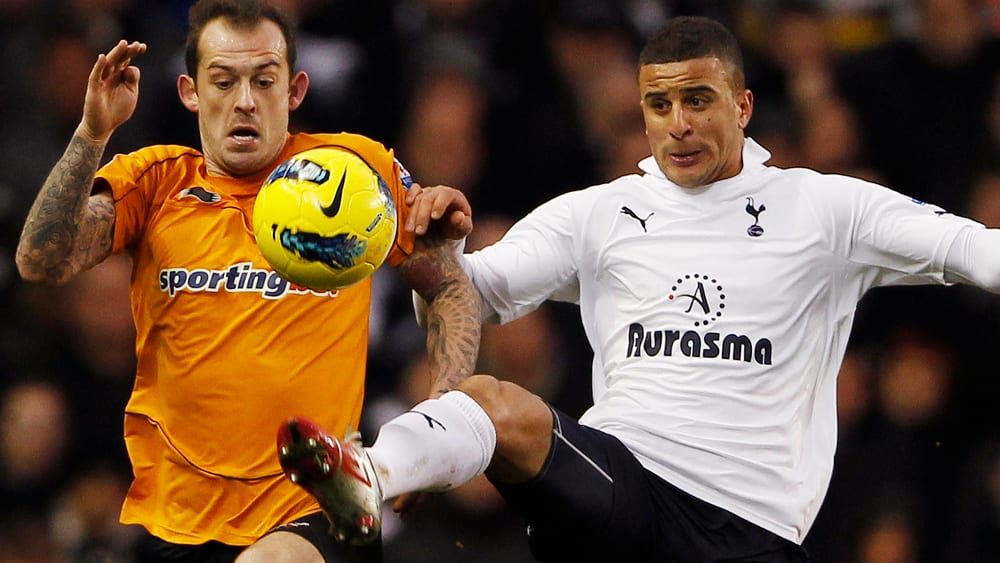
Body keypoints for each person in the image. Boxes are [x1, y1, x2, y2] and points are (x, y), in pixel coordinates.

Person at [276, 14, 1000, 562]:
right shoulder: (599, 212)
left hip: (754, 527)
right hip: (624, 492)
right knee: (496, 404)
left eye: (698, 100)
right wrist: (435, 257)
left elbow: (975, 249)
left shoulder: (826, 208)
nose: (677, 125)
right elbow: (474, 292)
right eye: (658, 104)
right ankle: (370, 474)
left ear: (743, 106)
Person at [14, 0, 481, 562]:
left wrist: (438, 424)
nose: (245, 101)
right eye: (223, 81)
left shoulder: (353, 175)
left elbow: (448, 284)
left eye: (264, 80)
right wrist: (93, 133)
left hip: (318, 508)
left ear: (295, 90)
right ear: (190, 92)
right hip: (177, 523)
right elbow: (41, 261)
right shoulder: (156, 183)